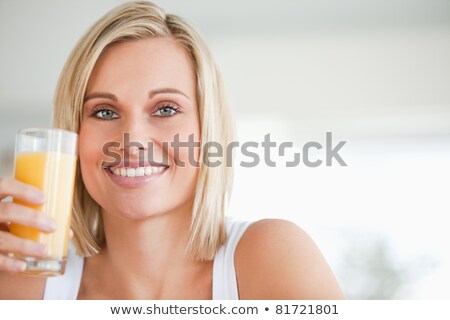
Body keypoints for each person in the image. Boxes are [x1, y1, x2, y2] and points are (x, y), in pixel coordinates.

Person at [0, 1, 344, 299]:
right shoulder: (24, 284)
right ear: (74, 135)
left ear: (207, 128)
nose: (132, 139)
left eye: (165, 109)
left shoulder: (270, 257)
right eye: (104, 111)